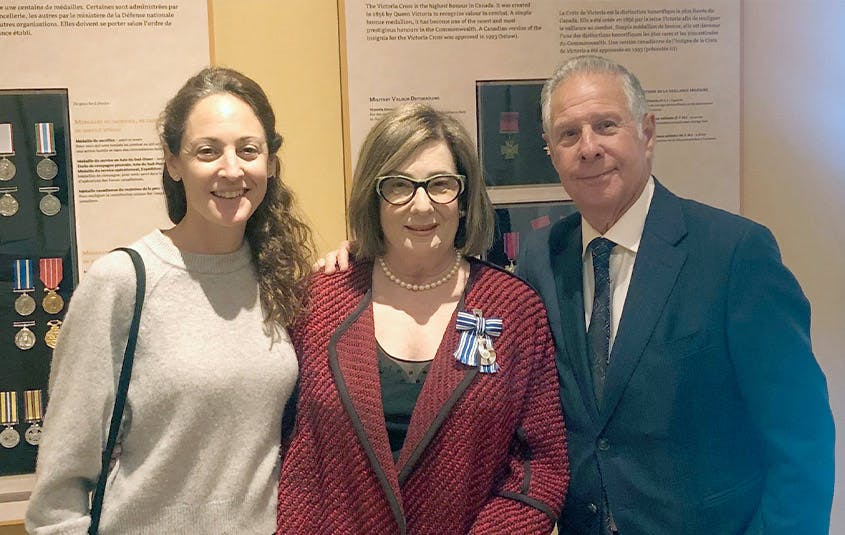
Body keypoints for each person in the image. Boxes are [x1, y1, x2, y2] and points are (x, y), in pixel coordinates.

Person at [518, 55, 835, 534]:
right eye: (568, 134)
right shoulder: (541, 257)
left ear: (647, 132)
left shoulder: (734, 254)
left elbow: (802, 439)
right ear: (550, 152)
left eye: (606, 125)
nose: (588, 148)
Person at [26, 67, 313, 534]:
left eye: (248, 150)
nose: (231, 169)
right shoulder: (122, 282)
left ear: (271, 163)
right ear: (173, 162)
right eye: (207, 151)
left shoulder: (280, 279)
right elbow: (59, 490)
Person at [277, 103, 569, 534]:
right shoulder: (320, 299)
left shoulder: (514, 310)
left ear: (464, 197)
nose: (421, 205)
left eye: (440, 184)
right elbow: (286, 450)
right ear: (373, 197)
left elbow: (540, 462)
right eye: (399, 185)